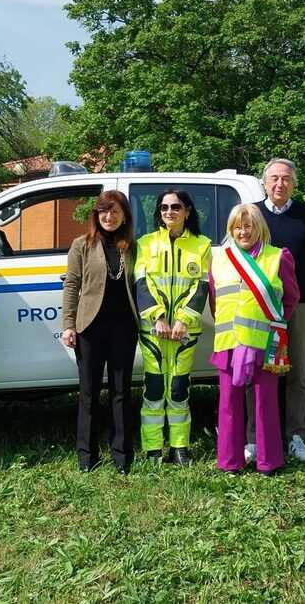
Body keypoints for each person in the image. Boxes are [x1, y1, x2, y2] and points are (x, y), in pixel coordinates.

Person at [210, 204, 299, 476]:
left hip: (265, 341)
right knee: (228, 403)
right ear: (230, 230)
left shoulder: (278, 256)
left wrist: (274, 324)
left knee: (265, 403)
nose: (243, 231)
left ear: (259, 227)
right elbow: (215, 297)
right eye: (237, 226)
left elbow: (291, 297)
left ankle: (269, 461)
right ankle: (229, 461)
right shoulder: (220, 258)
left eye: (248, 225)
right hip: (228, 341)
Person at [246, 158, 305, 464]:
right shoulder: (253, 213)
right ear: (264, 182)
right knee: (258, 373)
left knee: (298, 373)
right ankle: (254, 438)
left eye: (286, 179)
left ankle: (296, 436)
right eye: (274, 178)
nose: (280, 184)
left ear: (294, 183)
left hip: (299, 305)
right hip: (259, 307)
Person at [62, 191, 137, 475]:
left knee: (121, 392)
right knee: (88, 393)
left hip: (124, 328)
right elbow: (71, 286)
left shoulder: (132, 247)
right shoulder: (82, 245)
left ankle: (122, 456)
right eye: (104, 211)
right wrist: (68, 325)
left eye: (115, 211)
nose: (109, 216)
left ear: (124, 215)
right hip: (90, 328)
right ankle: (87, 456)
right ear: (96, 214)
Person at [134, 190, 211, 465]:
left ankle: (180, 448)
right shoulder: (145, 243)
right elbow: (141, 284)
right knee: (154, 389)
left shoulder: (202, 245)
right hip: (154, 331)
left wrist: (182, 320)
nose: (170, 212)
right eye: (164, 207)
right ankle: (153, 449)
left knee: (179, 389)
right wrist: (157, 317)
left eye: (176, 207)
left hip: (183, 332)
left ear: (187, 211)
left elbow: (200, 287)